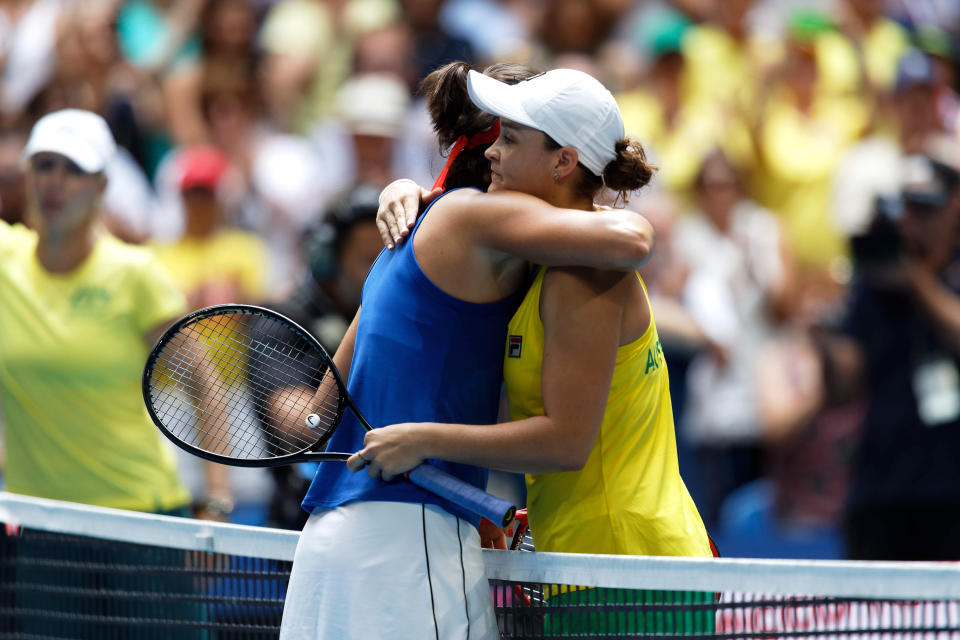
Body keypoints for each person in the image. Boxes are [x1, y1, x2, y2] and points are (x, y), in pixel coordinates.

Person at [279, 63, 656, 639]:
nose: (501, 151)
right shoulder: (477, 220)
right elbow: (632, 238)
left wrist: (406, 189)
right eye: (499, 135)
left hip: (334, 544)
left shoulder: (410, 238)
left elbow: (323, 407)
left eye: (515, 134)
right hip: (409, 546)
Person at [362, 66, 715, 634]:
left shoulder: (583, 273)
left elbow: (566, 441)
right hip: (590, 562)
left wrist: (421, 439)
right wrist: (409, 191)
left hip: (627, 563)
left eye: (511, 140)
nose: (492, 154)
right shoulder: (546, 266)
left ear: (563, 162)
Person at [0, 108, 231, 517]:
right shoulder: (5, 259)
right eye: (44, 165)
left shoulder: (135, 274)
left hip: (140, 515)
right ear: (26, 175)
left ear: (102, 185)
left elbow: (203, 384)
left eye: (74, 169)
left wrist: (216, 503)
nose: (55, 182)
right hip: (35, 522)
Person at [835, 153, 960, 560]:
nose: (912, 220)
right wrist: (822, 336)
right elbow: (843, 383)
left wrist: (915, 279)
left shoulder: (928, 274)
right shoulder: (876, 276)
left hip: (951, 490)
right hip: (882, 488)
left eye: (926, 208)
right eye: (906, 207)